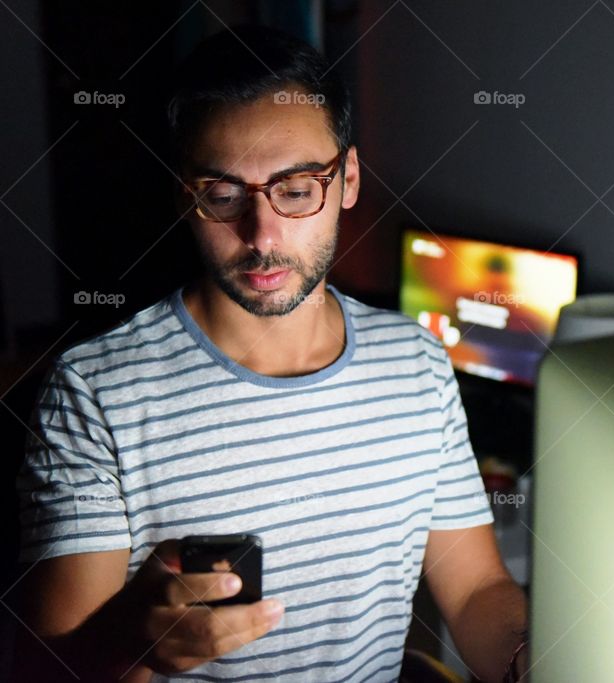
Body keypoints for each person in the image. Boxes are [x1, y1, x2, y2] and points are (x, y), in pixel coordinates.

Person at [14, 25, 528, 682]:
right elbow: (39, 667)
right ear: (184, 195)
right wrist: (126, 640)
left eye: (295, 188)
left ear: (347, 181)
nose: (261, 235)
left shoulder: (419, 362)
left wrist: (527, 655)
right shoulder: (93, 390)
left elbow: (477, 589)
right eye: (223, 194)